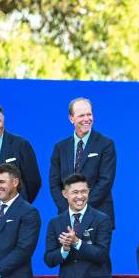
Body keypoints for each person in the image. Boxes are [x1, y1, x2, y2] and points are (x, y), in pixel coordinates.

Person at [44, 173, 117, 278]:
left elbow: (102, 255)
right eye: (75, 192)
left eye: (83, 192)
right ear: (65, 194)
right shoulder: (55, 223)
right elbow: (49, 259)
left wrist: (77, 242)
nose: (80, 196)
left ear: (89, 192)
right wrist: (64, 249)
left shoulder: (102, 219)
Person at [49, 97, 117, 228]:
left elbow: (105, 181)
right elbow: (54, 183)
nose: (87, 119)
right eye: (81, 115)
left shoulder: (106, 144)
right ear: (71, 119)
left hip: (98, 217)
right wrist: (68, 210)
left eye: (89, 114)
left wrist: (82, 209)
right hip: (67, 218)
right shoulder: (60, 148)